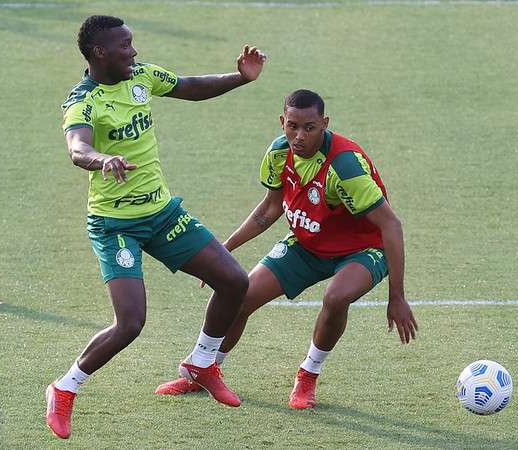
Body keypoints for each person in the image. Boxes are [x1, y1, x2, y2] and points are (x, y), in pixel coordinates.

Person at [46, 15, 266, 439]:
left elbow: (189, 87)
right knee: (130, 323)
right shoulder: (82, 102)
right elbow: (78, 147)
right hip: (116, 226)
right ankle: (63, 387)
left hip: (162, 214)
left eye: (132, 43)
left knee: (235, 282)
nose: (134, 51)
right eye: (125, 45)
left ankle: (201, 363)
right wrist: (101, 160)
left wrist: (240, 78)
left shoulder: (140, 75)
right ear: (99, 53)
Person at [156, 89, 418, 409]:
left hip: (362, 249)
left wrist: (397, 296)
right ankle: (203, 369)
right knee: (240, 296)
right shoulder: (279, 153)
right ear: (282, 121)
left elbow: (391, 225)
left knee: (336, 297)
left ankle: (308, 374)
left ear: (324, 123)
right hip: (307, 243)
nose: (299, 136)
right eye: (292, 126)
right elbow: (269, 210)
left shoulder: (345, 165)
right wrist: (224, 251)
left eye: (309, 127)